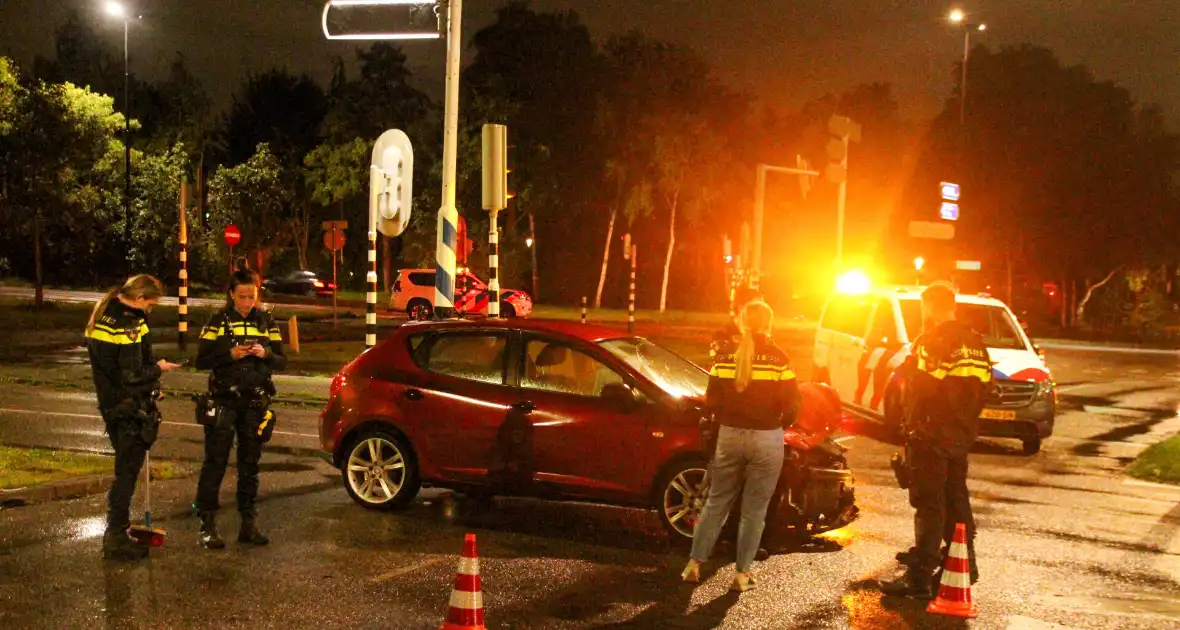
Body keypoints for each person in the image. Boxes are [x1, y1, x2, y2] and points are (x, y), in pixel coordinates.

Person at [881, 282, 991, 597]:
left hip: (930, 436)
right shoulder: (976, 343)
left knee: (929, 504)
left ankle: (919, 578)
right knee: (957, 499)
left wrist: (912, 426)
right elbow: (985, 389)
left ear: (930, 306)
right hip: (961, 435)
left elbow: (920, 390)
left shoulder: (932, 341)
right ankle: (964, 561)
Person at [682, 300, 800, 592]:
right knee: (754, 510)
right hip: (766, 438)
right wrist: (777, 422)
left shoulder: (723, 358)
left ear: (742, 323)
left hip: (730, 436)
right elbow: (793, 404)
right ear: (769, 324)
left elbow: (712, 401)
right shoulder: (779, 359)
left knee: (716, 502)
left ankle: (693, 565)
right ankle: (741, 575)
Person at [85, 275, 182, 561]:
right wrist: (158, 369)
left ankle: (120, 530)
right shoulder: (128, 324)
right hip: (128, 408)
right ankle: (115, 535)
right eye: (151, 303)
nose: (152, 308)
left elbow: (117, 369)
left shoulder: (106, 314)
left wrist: (151, 385)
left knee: (124, 470)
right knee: (126, 473)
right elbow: (131, 374)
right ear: (140, 299)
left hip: (113, 405)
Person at [194, 264, 287, 549]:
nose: (248, 302)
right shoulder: (218, 319)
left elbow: (282, 360)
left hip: (254, 401)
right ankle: (207, 525)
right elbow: (201, 359)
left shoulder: (266, 321)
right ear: (232, 294)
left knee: (250, 465)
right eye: (242, 296)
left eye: (252, 296)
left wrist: (265, 353)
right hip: (224, 399)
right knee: (215, 463)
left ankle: (248, 523)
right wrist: (229, 353)